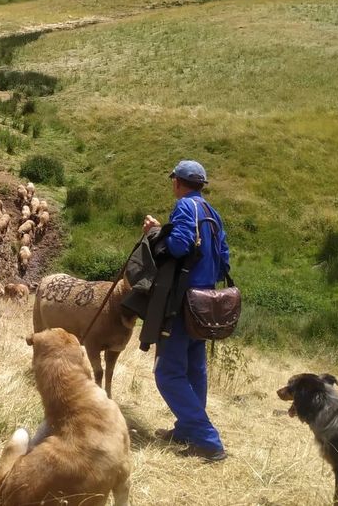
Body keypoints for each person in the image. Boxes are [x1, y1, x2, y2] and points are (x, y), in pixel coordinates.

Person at [142, 159, 229, 462]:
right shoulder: (212, 213)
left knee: (166, 373)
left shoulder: (184, 207)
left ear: (178, 182)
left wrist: (156, 234)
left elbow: (178, 246)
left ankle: (207, 439)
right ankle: (186, 430)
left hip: (182, 302)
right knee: (195, 369)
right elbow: (225, 260)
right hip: (206, 302)